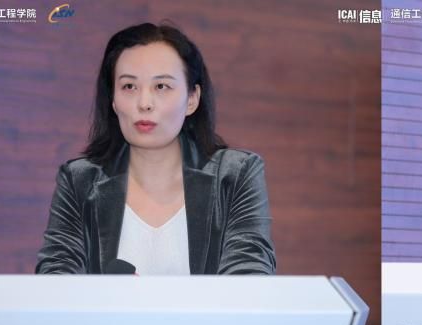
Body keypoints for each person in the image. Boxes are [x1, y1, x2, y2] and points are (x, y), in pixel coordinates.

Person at [35, 23, 275, 275]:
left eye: (161, 86)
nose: (144, 103)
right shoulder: (80, 180)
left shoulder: (235, 175)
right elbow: (56, 277)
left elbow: (249, 278)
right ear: (113, 100)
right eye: (129, 87)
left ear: (192, 99)